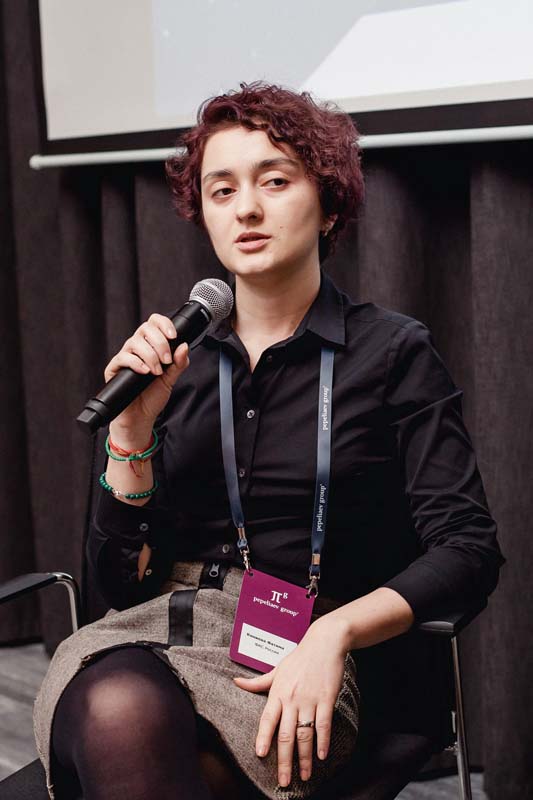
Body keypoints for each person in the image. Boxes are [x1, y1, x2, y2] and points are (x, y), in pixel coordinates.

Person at [33, 81, 505, 800]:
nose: (246, 209)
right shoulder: (175, 367)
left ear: (329, 204)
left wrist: (334, 634)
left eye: (274, 182)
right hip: (154, 639)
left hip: (310, 648)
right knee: (118, 707)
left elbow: (468, 548)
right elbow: (116, 590)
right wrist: (130, 431)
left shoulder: (391, 353)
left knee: (131, 735)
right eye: (221, 191)